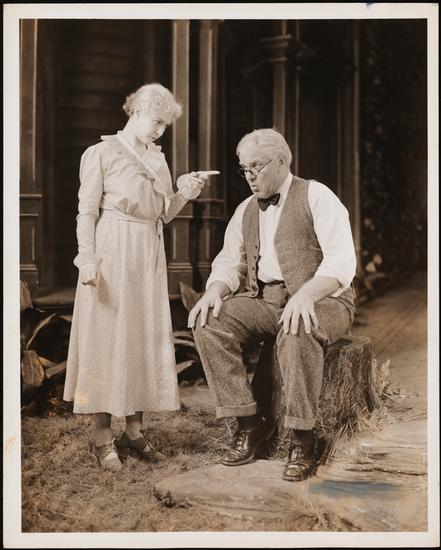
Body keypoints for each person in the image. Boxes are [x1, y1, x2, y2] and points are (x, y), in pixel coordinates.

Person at [188, 128, 356, 482]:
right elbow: (230, 262)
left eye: (257, 167)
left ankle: (303, 439)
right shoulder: (246, 209)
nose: (250, 176)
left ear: (281, 161)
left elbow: (342, 261)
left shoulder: (316, 195)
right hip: (265, 300)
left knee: (298, 329)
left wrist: (307, 295)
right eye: (244, 169)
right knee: (208, 322)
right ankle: (251, 424)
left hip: (326, 300)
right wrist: (214, 291)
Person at [64, 83, 215, 472]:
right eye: (156, 121)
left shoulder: (157, 160)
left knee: (141, 337)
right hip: (112, 249)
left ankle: (134, 431)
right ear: (136, 112)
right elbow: (86, 212)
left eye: (165, 124)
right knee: (106, 337)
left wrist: (185, 192)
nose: (160, 130)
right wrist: (87, 256)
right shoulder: (101, 153)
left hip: (148, 252)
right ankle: (102, 436)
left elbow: (162, 214)